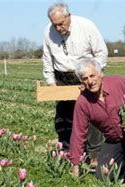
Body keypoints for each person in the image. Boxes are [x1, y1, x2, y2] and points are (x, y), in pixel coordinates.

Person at [69, 58, 125, 183]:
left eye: (92, 76)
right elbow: (78, 133)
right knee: (103, 176)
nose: (90, 81)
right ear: (81, 81)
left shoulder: (119, 83)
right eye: (85, 78)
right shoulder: (83, 102)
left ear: (100, 74)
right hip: (114, 139)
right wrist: (75, 164)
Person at [42, 2, 107, 167]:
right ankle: (69, 153)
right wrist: (51, 83)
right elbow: (47, 58)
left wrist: (93, 75)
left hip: (84, 76)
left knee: (92, 116)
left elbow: (101, 51)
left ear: (68, 16)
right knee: (64, 118)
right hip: (62, 77)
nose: (58, 28)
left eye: (61, 24)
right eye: (54, 24)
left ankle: (95, 156)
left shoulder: (86, 26)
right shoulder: (48, 31)